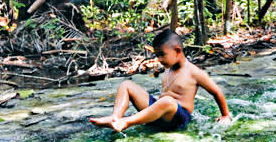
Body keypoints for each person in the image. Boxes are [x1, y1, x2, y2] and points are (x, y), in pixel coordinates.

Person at [90, 29, 231, 133]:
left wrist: (225, 115)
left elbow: (216, 91)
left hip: (177, 118)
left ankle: (126, 122)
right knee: (126, 85)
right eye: (157, 55)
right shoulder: (168, 68)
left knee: (168, 101)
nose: (159, 60)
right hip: (159, 112)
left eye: (162, 55)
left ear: (177, 50)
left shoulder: (194, 72)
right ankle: (115, 117)